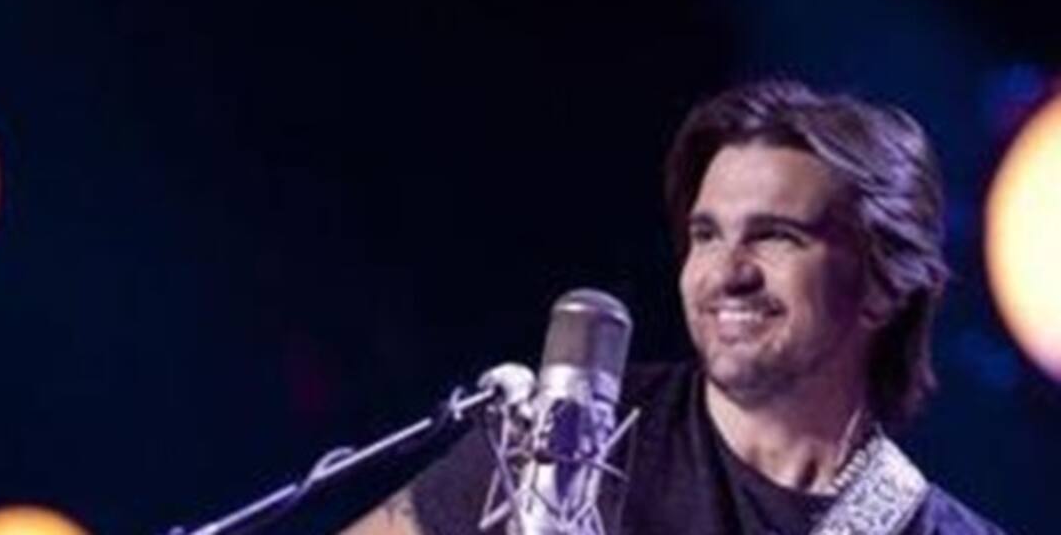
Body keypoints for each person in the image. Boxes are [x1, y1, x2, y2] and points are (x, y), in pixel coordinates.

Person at [341, 79, 1005, 534]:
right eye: (706, 235)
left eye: (777, 236)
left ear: (885, 282)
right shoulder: (564, 435)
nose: (727, 273)